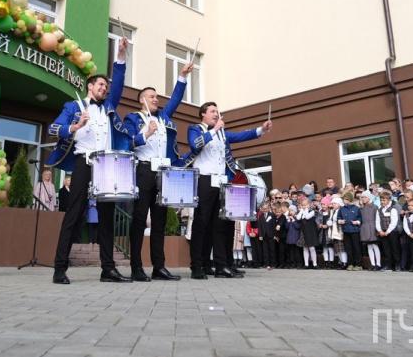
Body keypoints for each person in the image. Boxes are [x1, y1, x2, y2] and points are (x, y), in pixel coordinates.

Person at [47, 37, 132, 285]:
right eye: (101, 85)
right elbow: (53, 128)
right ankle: (59, 268)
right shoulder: (73, 106)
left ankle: (108, 269)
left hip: (106, 166)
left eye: (106, 86)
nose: (105, 89)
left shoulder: (109, 107)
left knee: (106, 217)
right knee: (74, 214)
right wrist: (75, 126)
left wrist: (121, 56)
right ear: (90, 86)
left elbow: (119, 82)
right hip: (83, 162)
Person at [185, 101, 272, 279]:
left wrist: (261, 129)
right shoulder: (195, 129)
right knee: (201, 223)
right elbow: (195, 145)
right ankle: (197, 265)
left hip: (221, 181)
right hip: (204, 180)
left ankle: (220, 265)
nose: (216, 114)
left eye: (217, 111)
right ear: (203, 114)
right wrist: (215, 129)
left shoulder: (222, 133)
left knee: (220, 225)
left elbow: (241, 136)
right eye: (212, 111)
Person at [123, 61, 192, 282]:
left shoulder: (163, 117)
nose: (156, 99)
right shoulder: (133, 118)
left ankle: (159, 267)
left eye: (157, 97)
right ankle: (136, 267)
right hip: (143, 171)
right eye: (152, 96)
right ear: (141, 99)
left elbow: (175, 99)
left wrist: (182, 76)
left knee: (160, 222)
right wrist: (146, 134)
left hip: (163, 173)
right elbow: (128, 143)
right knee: (139, 219)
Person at [375, 191, 400, 272]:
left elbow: (394, 222)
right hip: (383, 232)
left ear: (389, 200)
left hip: (392, 232)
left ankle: (397, 265)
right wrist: (380, 231)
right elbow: (377, 221)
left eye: (384, 200)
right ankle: (388, 265)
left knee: (394, 248)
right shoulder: (379, 210)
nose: (382, 202)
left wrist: (387, 231)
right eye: (381, 200)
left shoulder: (393, 209)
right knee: (386, 249)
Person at [338, 191, 362, 271]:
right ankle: (350, 264)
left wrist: (357, 222)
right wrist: (340, 221)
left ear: (349, 199)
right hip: (346, 231)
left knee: (356, 248)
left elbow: (360, 218)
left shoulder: (356, 208)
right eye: (343, 199)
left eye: (345, 199)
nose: (344, 201)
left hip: (355, 231)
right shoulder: (342, 209)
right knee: (348, 248)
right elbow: (339, 218)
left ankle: (358, 264)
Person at [295, 197, 318, 269]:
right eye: (303, 205)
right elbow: (298, 218)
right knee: (305, 248)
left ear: (309, 204)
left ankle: (315, 264)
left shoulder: (312, 211)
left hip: (310, 232)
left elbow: (307, 217)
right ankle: (306, 264)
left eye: (305, 205)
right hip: (303, 231)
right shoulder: (302, 212)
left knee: (312, 248)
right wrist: (301, 211)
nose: (304, 206)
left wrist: (303, 211)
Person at [358, 192, 380, 270]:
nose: (363, 199)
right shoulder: (361, 208)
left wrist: (377, 229)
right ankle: (372, 264)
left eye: (365, 197)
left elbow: (377, 218)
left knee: (374, 245)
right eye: (362, 197)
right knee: (369, 246)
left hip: (372, 227)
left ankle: (378, 264)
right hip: (365, 228)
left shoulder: (374, 207)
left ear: (369, 198)